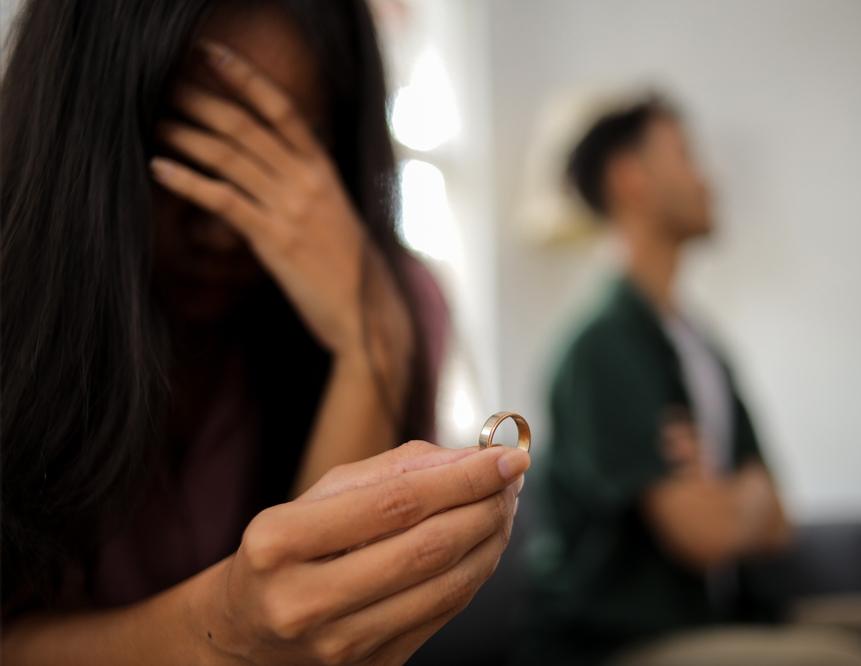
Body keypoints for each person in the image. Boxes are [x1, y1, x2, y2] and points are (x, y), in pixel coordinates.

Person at [0, 1, 529, 664]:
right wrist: (224, 630)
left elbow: (327, 637)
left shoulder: (400, 301)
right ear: (77, 138)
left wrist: (373, 350)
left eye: (271, 161)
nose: (220, 228)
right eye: (180, 147)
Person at [519, 95, 861, 666]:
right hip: (617, 642)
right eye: (685, 155)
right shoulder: (602, 349)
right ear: (632, 179)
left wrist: (732, 499)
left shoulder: (701, 346)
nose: (710, 177)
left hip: (725, 618)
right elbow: (702, 534)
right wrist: (738, 499)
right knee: (841, 660)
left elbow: (779, 516)